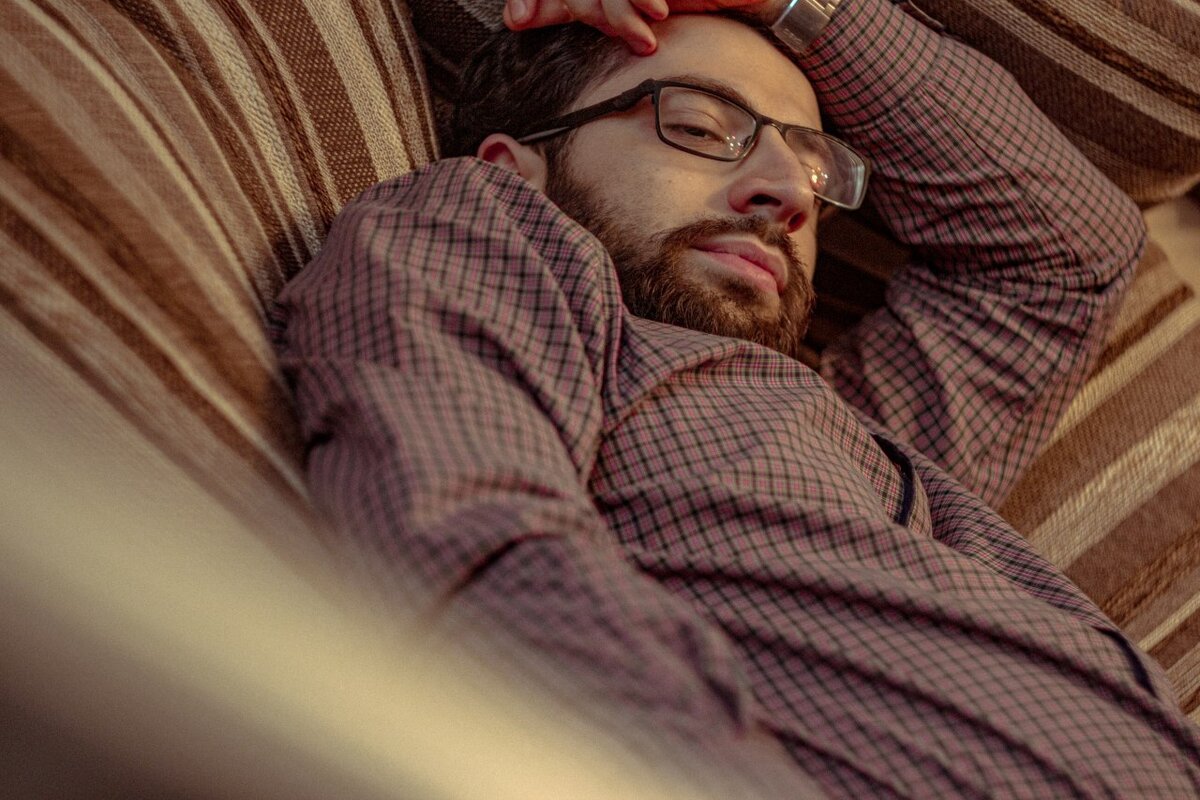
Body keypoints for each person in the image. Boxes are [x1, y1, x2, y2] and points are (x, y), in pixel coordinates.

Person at [271, 0, 1200, 795]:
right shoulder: (483, 231)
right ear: (518, 169)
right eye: (703, 125)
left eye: (814, 170)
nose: (788, 194)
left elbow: (1068, 258)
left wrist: (790, 3)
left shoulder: (855, 431)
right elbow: (473, 549)